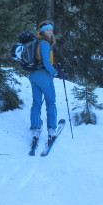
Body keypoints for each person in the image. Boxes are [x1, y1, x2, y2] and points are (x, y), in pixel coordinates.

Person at [29, 20, 65, 149]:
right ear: (42, 31)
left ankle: (35, 129)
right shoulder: (44, 44)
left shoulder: (36, 43)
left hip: (33, 76)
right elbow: (46, 63)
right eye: (47, 30)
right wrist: (56, 72)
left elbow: (40, 60)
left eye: (51, 30)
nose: (50, 32)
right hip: (44, 76)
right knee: (50, 102)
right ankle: (51, 130)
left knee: (36, 104)